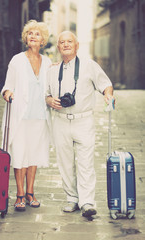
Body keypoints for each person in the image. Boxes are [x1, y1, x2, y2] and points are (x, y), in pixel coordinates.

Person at [46, 31, 114, 218]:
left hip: (83, 120)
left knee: (85, 162)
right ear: (58, 47)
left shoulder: (89, 65)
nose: (66, 44)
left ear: (77, 46)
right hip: (60, 121)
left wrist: (108, 94)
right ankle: (72, 198)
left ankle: (87, 202)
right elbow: (46, 93)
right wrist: (49, 100)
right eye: (62, 42)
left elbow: (106, 84)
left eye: (70, 41)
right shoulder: (52, 70)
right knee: (65, 163)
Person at [1, 20, 52, 211]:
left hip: (40, 116)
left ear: (43, 40)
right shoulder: (17, 60)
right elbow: (7, 86)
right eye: (29, 33)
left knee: (34, 155)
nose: (32, 36)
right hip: (20, 116)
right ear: (25, 38)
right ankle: (20, 195)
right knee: (20, 154)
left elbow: (50, 88)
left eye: (37, 34)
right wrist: (8, 94)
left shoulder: (47, 62)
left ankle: (31, 193)